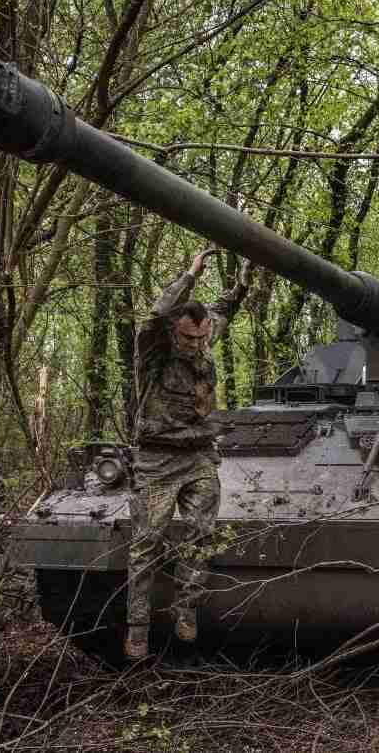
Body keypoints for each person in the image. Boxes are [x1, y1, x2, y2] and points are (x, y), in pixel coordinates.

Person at [127, 247, 249, 658]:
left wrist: (243, 282)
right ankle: (138, 627)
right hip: (157, 459)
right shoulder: (154, 350)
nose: (196, 344)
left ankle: (186, 610)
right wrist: (190, 275)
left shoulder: (205, 335)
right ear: (174, 332)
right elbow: (156, 317)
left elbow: (223, 309)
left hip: (197, 455)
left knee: (200, 535)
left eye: (201, 337)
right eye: (188, 337)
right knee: (147, 542)